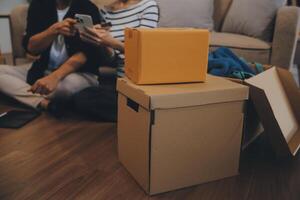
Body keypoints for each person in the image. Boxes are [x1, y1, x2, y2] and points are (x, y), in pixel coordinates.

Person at [0, 0, 111, 114]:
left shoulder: (87, 7)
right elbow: (32, 48)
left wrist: (54, 77)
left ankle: (26, 94)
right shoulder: (39, 5)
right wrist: (53, 30)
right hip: (43, 69)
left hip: (79, 73)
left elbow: (85, 53)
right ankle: (44, 103)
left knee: (64, 89)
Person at [73, 0, 159, 121]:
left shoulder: (148, 5)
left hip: (141, 82)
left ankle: (136, 112)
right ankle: (135, 113)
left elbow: (145, 52)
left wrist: (113, 42)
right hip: (120, 82)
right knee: (82, 97)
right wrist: (101, 42)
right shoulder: (105, 11)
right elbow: (111, 60)